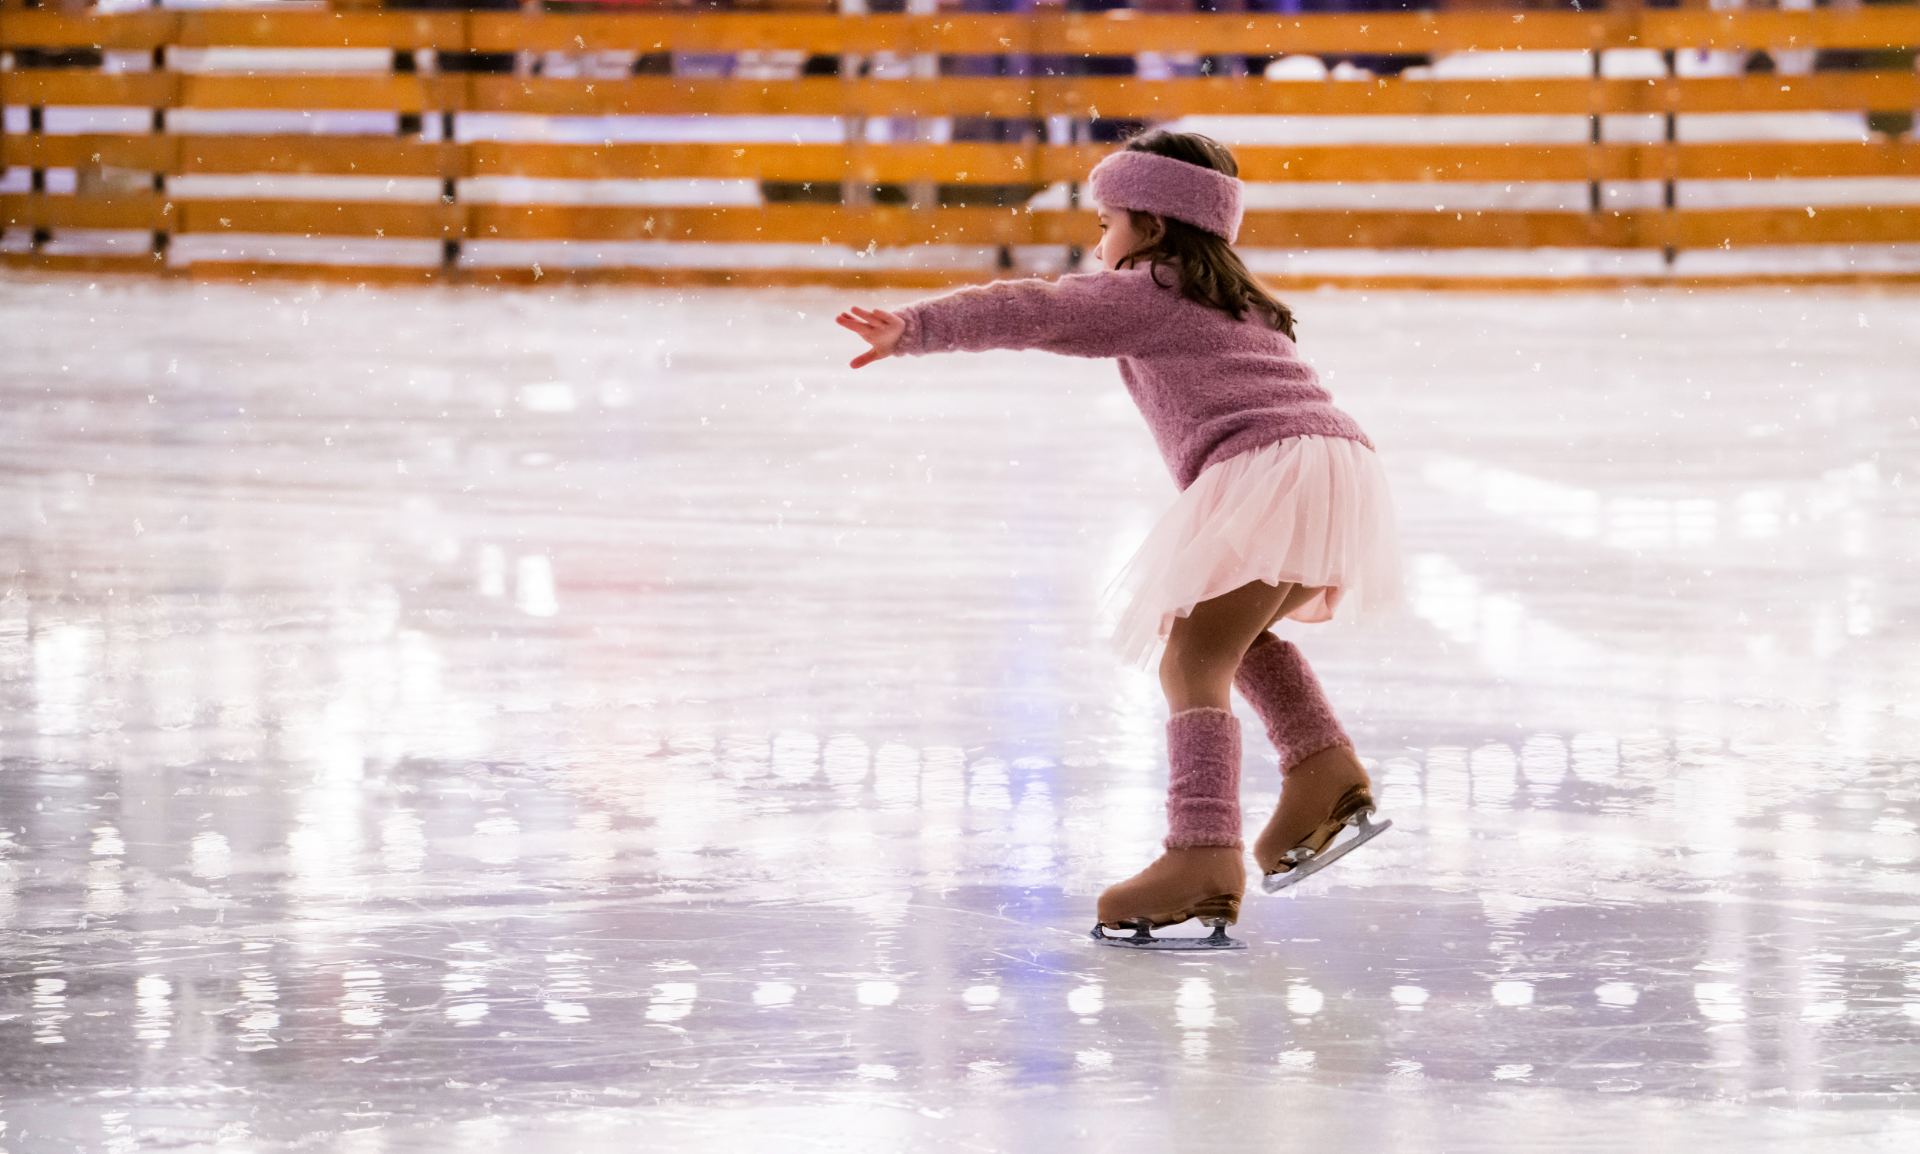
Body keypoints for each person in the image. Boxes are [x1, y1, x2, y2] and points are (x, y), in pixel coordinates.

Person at [834, 129, 1401, 945]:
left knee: (1191, 657)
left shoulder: (1151, 289)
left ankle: (1203, 853)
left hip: (1270, 466)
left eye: (1107, 223)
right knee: (1231, 636)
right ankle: (1322, 771)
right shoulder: (1237, 297)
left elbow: (1036, 309)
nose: (1099, 243)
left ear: (1156, 225)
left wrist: (916, 327)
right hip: (1333, 463)